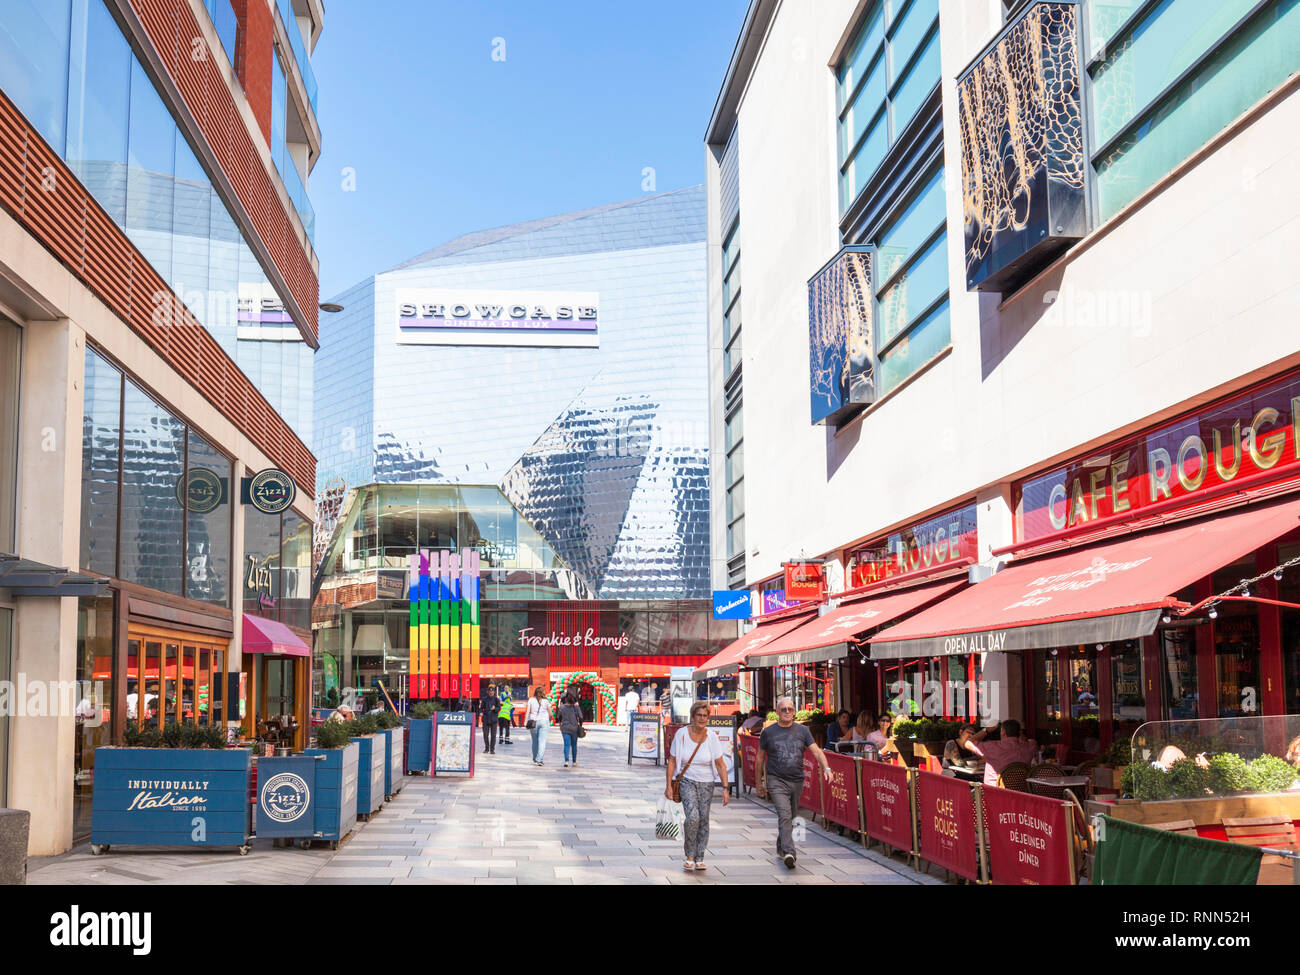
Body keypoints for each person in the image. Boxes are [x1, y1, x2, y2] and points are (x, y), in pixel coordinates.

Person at [755, 696, 833, 869]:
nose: (787, 712)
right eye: (784, 709)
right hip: (776, 780)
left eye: (790, 709)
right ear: (777, 712)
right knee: (784, 815)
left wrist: (826, 768)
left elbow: (817, 751)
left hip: (797, 780)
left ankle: (781, 846)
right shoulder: (768, 732)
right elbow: (760, 758)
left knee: (790, 816)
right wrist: (758, 782)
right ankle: (790, 852)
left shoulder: (803, 731)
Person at [665, 702, 731, 871]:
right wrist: (669, 786)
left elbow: (720, 764)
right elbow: (672, 760)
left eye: (705, 716)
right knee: (693, 817)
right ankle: (690, 855)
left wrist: (725, 788)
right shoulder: (681, 734)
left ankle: (700, 856)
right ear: (693, 716)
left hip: (707, 783)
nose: (702, 718)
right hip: (687, 780)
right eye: (699, 715)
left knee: (703, 819)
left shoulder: (711, 737)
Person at [964, 719, 1038, 787]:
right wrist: (1018, 734)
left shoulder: (993, 747)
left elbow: (968, 743)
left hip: (994, 794)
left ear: (1003, 732)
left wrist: (986, 730)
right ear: (1019, 733)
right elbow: (1032, 741)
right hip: (1020, 793)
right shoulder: (1029, 747)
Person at [526, 686, 551, 766]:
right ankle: (539, 759)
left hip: (533, 722)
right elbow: (550, 713)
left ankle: (535, 758)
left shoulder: (531, 700)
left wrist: (525, 721)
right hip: (544, 721)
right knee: (542, 741)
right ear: (543, 692)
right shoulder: (546, 701)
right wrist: (549, 720)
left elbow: (528, 712)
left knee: (535, 741)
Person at [559, 692, 584, 768]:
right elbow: (581, 717)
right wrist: (580, 725)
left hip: (565, 728)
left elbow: (559, 716)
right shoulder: (576, 707)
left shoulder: (562, 707)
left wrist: (560, 723)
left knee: (566, 745)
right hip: (574, 728)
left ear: (566, 700)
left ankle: (566, 761)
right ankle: (574, 761)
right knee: (574, 745)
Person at [481, 683, 501, 755]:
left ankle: (492, 749)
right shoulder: (484, 699)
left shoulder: (496, 699)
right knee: (485, 734)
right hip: (486, 719)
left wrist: (495, 708)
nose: (491, 692)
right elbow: (481, 707)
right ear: (488, 692)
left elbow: (499, 708)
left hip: (494, 719)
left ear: (494, 692)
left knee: (493, 735)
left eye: (492, 691)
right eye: (490, 691)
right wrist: (482, 710)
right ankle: (486, 748)